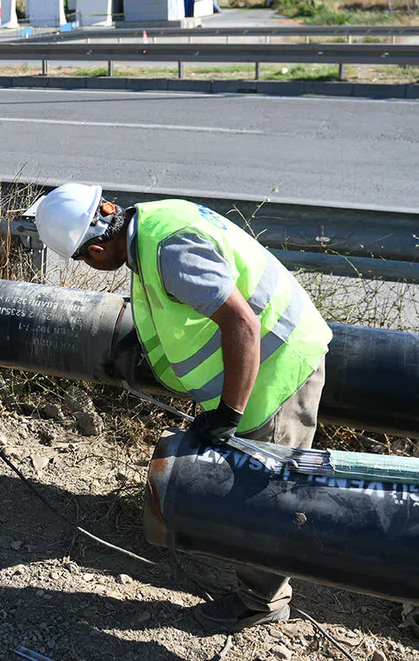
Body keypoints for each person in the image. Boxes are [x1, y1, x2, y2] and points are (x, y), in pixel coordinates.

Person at [33, 184, 332, 633]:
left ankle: (261, 601)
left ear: (95, 249)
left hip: (279, 367)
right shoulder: (152, 221)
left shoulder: (168, 251)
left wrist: (229, 412)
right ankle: (245, 564)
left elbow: (242, 324)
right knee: (253, 486)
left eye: (84, 260)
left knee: (266, 492)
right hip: (270, 356)